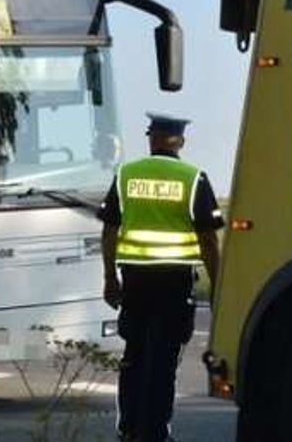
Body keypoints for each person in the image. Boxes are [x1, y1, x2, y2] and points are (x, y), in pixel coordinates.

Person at [97, 113, 223, 442]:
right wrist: (220, 284)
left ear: (151, 138)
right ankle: (155, 432)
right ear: (179, 141)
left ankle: (129, 429)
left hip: (135, 280)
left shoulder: (126, 175)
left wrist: (110, 278)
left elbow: (109, 231)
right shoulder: (193, 177)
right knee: (164, 360)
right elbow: (209, 239)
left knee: (134, 356)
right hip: (174, 281)